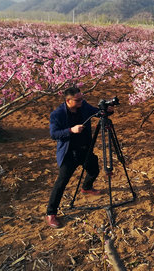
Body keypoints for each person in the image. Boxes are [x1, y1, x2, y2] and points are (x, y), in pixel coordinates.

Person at [45, 87, 112, 228]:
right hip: (69, 153)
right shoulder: (57, 114)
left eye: (82, 98)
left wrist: (106, 111)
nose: (82, 101)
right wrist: (71, 130)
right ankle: (51, 214)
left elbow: (96, 112)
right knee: (61, 182)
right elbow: (54, 134)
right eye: (78, 99)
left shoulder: (83, 105)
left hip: (85, 149)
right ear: (68, 101)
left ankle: (86, 187)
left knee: (94, 169)